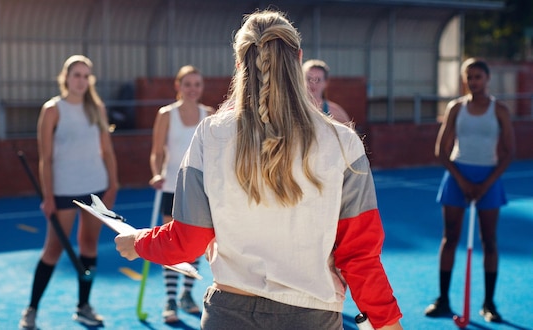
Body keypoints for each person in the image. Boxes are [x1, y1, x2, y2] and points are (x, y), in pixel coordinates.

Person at [116, 10, 403, 330]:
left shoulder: (210, 134)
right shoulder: (343, 142)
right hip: (311, 317)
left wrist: (138, 241)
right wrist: (388, 323)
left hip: (228, 314)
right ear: (299, 59)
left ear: (239, 63)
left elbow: (188, 241)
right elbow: (359, 256)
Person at [19, 55, 119, 329]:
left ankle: (83, 306)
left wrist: (113, 184)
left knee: (89, 245)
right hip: (64, 189)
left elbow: (107, 151)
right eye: (76, 74)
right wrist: (48, 196)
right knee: (53, 249)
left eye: (86, 75)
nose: (81, 80)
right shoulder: (53, 109)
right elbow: (45, 158)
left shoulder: (97, 108)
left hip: (95, 187)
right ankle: (32, 309)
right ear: (65, 78)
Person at [425, 58, 515, 322]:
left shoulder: (499, 109)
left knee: (489, 241)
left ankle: (489, 304)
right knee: (450, 237)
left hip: (489, 176)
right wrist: (463, 181)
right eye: (469, 77)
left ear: (487, 79)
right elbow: (441, 151)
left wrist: (486, 184)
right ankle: (443, 299)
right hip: (457, 176)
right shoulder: (456, 108)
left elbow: (509, 152)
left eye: (478, 77)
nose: (474, 81)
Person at [148, 64, 214, 323]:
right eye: (187, 84)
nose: (192, 89)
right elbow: (156, 151)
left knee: (195, 245)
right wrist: (156, 172)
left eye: (197, 84)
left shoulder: (208, 114)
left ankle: (187, 294)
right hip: (171, 187)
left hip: (198, 188)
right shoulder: (166, 114)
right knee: (172, 242)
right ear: (178, 86)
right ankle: (170, 299)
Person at [302, 59, 351, 123]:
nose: (313, 83)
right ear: (301, 80)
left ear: (325, 83)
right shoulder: (292, 110)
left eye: (318, 80)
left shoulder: (336, 112)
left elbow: (348, 132)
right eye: (309, 79)